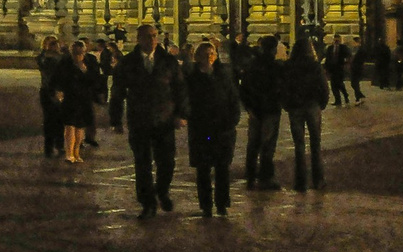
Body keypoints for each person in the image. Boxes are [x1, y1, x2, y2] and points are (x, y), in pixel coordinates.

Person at [109, 23, 189, 219]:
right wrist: (116, 119)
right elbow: (118, 91)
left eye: (154, 36)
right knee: (142, 163)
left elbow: (180, 89)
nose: (152, 40)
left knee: (167, 162)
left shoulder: (168, 61)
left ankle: (162, 191)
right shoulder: (128, 63)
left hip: (164, 119)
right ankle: (147, 202)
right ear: (138, 39)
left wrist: (182, 114)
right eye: (147, 36)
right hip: (139, 119)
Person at [185, 41, 241, 217]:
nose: (210, 57)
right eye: (206, 54)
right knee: (203, 168)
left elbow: (233, 98)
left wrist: (233, 120)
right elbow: (187, 101)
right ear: (198, 57)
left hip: (222, 129)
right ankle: (206, 204)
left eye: (212, 53)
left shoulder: (223, 74)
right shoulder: (192, 77)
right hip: (202, 130)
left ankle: (222, 203)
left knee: (222, 167)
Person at [281, 36, 329, 192]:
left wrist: (287, 104)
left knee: (299, 145)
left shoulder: (289, 66)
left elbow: (284, 87)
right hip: (312, 105)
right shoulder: (315, 66)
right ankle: (318, 180)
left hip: (295, 107)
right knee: (316, 144)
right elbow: (323, 86)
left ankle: (300, 182)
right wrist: (321, 103)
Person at [239, 35, 283, 189]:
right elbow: (279, 87)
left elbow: (243, 88)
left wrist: (248, 107)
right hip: (270, 109)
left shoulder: (251, 65)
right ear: (273, 49)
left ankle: (250, 177)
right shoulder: (274, 66)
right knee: (268, 144)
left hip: (254, 110)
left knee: (253, 144)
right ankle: (266, 177)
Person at [53, 39, 96, 164]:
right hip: (70, 97)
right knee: (69, 125)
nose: (78, 55)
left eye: (80, 52)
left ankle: (76, 152)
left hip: (84, 98)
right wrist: (59, 91)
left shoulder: (90, 61)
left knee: (80, 127)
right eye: (75, 52)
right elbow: (58, 78)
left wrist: (85, 70)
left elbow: (95, 79)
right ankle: (69, 153)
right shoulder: (65, 62)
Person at [36, 36, 63, 157]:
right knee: (57, 119)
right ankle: (57, 145)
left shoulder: (44, 58)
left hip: (47, 91)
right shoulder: (55, 59)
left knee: (50, 120)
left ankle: (51, 147)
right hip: (54, 91)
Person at [324, 34, 350, 107]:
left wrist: (345, 64)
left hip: (340, 69)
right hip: (332, 69)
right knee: (333, 85)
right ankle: (337, 100)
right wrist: (326, 68)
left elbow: (348, 56)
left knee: (340, 84)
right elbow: (327, 58)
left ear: (340, 40)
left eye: (337, 40)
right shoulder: (330, 48)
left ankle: (345, 96)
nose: (336, 41)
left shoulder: (343, 48)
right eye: (335, 40)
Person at [348, 37, 368, 103]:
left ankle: (358, 98)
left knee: (355, 83)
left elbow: (363, 59)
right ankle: (360, 95)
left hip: (358, 68)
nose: (352, 43)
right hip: (353, 68)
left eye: (353, 42)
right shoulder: (353, 49)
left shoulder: (361, 50)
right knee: (353, 83)